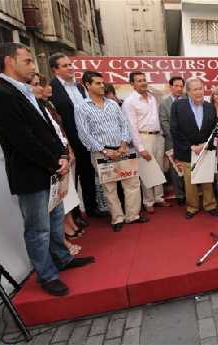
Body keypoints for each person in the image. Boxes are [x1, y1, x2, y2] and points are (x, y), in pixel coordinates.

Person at [0, 43, 94, 296]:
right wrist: (54, 161)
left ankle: (61, 258)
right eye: (27, 61)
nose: (33, 66)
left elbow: (47, 128)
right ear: (9, 61)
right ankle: (46, 275)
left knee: (56, 220)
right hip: (31, 175)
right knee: (38, 229)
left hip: (50, 171)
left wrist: (60, 155)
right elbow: (22, 140)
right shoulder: (1, 95)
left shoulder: (25, 93)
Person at [75, 71, 149, 231]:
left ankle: (133, 216)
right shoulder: (81, 107)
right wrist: (104, 151)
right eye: (97, 83)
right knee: (109, 188)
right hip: (100, 153)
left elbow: (124, 125)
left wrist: (123, 145)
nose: (102, 86)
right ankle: (117, 218)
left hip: (123, 150)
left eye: (102, 83)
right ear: (87, 85)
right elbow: (84, 134)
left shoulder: (113, 104)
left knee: (132, 183)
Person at [30, 73, 84, 255]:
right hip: (46, 164)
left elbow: (59, 132)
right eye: (38, 84)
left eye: (41, 84)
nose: (45, 88)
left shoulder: (47, 106)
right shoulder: (33, 107)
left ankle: (68, 229)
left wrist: (67, 152)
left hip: (60, 157)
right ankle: (63, 242)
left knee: (64, 198)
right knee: (53, 206)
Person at [49, 53, 101, 221]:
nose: (70, 68)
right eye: (65, 66)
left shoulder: (79, 87)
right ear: (55, 70)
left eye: (70, 64)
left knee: (88, 174)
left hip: (86, 139)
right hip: (68, 143)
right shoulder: (52, 88)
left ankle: (92, 208)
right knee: (71, 180)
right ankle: (75, 215)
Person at [122, 71, 171, 213]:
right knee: (147, 169)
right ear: (132, 84)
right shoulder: (129, 102)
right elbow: (131, 127)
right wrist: (140, 148)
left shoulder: (152, 97)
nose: (143, 83)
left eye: (144, 80)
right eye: (139, 80)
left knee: (159, 168)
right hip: (143, 138)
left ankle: (159, 198)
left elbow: (162, 94)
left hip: (158, 137)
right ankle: (148, 201)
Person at [170, 77, 218, 219]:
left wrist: (205, 145)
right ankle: (192, 207)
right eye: (195, 89)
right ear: (188, 92)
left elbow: (215, 129)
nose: (199, 92)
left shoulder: (210, 106)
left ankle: (210, 204)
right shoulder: (178, 106)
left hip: (205, 149)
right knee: (190, 181)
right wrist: (191, 147)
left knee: (207, 179)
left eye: (201, 89)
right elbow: (175, 130)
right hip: (187, 150)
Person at [159, 76, 186, 206]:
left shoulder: (188, 100)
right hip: (172, 141)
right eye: (176, 86)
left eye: (181, 86)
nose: (179, 88)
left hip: (188, 142)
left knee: (187, 168)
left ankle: (189, 193)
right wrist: (175, 137)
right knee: (175, 170)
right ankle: (180, 195)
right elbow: (164, 121)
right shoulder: (164, 103)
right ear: (170, 87)